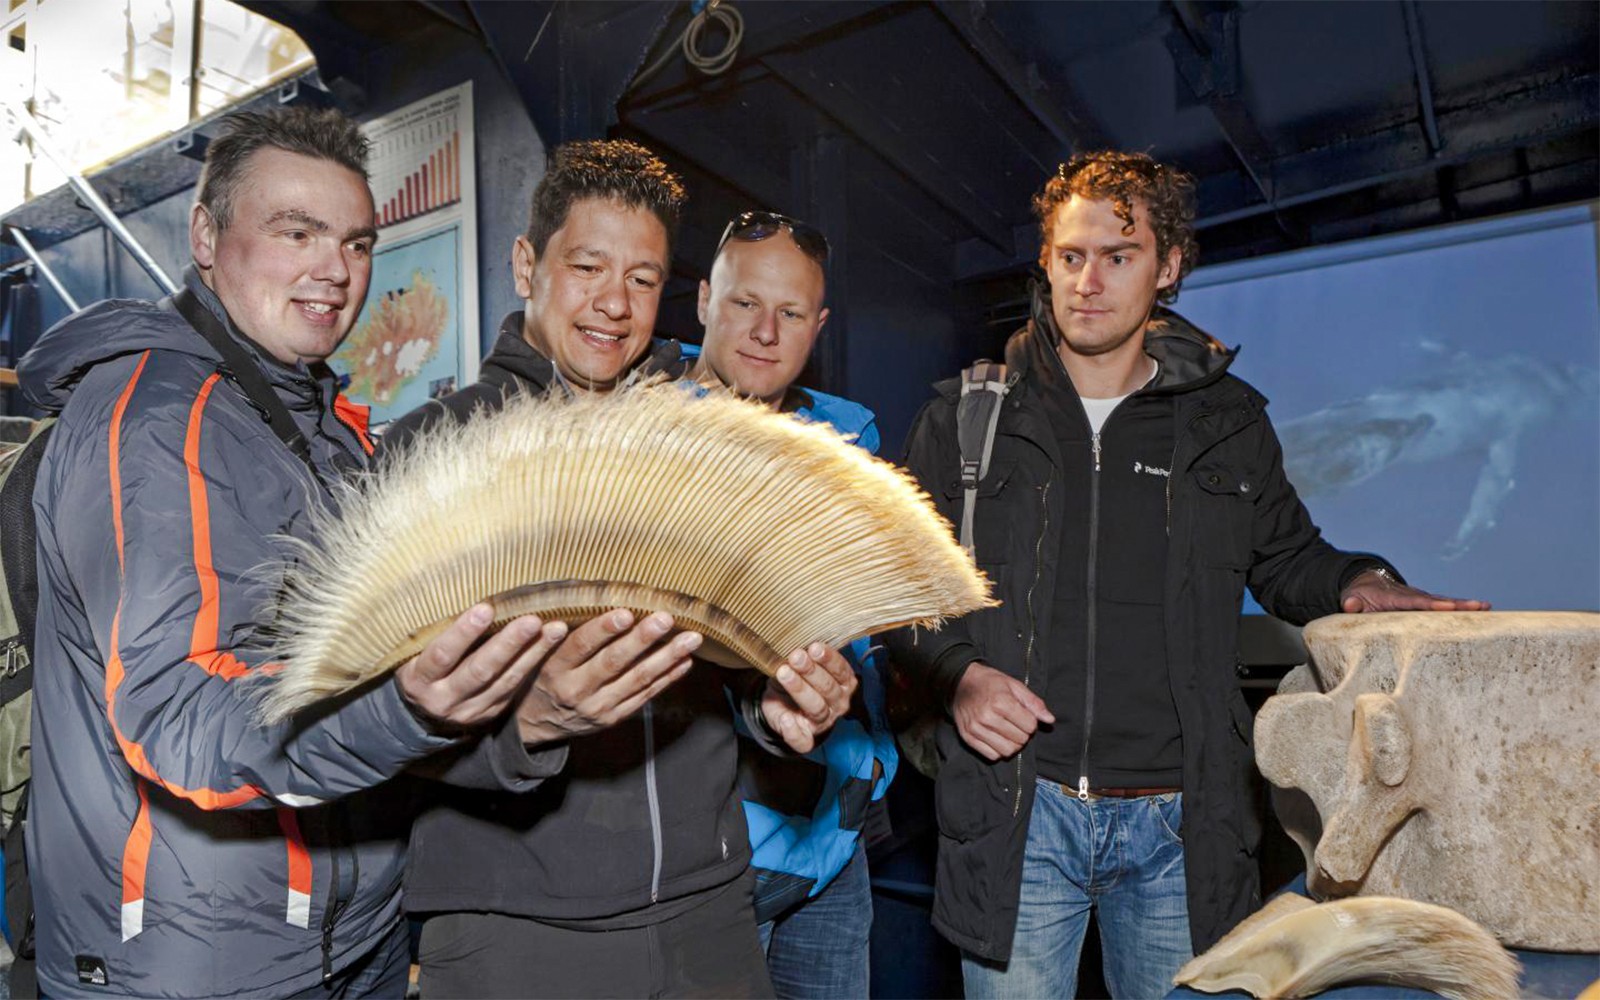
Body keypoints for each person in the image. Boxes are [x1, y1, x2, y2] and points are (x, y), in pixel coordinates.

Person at [16, 108, 689, 999]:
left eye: (357, 242)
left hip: (346, 943)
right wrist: (407, 708)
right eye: (297, 232)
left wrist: (508, 720)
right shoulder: (153, 419)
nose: (335, 270)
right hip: (194, 966)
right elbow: (179, 720)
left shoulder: (324, 431)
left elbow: (382, 691)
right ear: (206, 236)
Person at [884, 150, 1489, 999]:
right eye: (1070, 256)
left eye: (1119, 256)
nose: (1089, 280)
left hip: (1180, 826)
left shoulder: (1228, 421)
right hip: (1020, 816)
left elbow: (1287, 556)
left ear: (1167, 268)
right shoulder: (965, 418)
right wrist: (960, 677)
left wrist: (1362, 578)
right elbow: (896, 593)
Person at [389, 140, 859, 1000]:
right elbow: (368, 721)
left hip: (710, 915)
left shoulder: (705, 446)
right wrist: (524, 725)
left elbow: (728, 657)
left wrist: (775, 701)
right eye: (588, 265)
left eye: (643, 278)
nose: (615, 302)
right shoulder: (433, 456)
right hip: (517, 931)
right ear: (528, 264)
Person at [692, 211, 899, 999]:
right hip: (712, 862)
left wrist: (868, 784)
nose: (765, 332)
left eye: (790, 313)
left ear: (819, 326)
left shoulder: (852, 446)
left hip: (833, 849)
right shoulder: (642, 441)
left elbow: (866, 644)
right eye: (746, 303)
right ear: (705, 299)